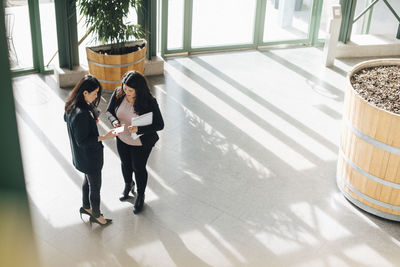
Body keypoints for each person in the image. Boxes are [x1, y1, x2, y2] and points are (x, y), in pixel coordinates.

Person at [106, 70, 164, 214]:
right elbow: (109, 111)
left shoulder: (149, 102)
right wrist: (114, 122)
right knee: (125, 164)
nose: (126, 92)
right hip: (122, 137)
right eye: (125, 88)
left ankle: (141, 195)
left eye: (130, 90)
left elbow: (159, 124)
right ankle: (128, 185)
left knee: (138, 167)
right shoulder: (119, 93)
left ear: (139, 89)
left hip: (140, 141)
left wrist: (139, 128)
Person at [64, 74, 118, 226]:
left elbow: (67, 120)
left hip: (80, 157)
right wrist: (105, 137)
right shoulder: (81, 113)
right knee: (95, 187)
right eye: (94, 94)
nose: (96, 97)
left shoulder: (72, 104)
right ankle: (96, 215)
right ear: (85, 93)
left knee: (87, 181)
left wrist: (90, 121)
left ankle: (86, 207)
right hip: (89, 157)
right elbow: (82, 141)